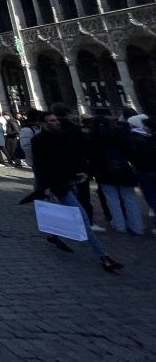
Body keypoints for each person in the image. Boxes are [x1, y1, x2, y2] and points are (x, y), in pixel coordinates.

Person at [31, 111, 123, 272]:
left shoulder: (64, 136)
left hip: (70, 181)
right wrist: (43, 186)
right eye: (52, 120)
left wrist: (83, 171)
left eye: (56, 119)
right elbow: (40, 165)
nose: (57, 122)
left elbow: (75, 156)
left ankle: (54, 236)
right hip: (56, 185)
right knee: (82, 218)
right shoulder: (38, 140)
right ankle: (103, 256)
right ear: (43, 124)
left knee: (61, 212)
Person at [89, 114, 144, 235]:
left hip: (103, 172)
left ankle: (119, 225)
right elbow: (130, 151)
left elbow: (91, 156)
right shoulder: (118, 135)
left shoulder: (93, 138)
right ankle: (137, 226)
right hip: (123, 169)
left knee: (112, 199)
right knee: (130, 198)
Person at [129, 115, 156, 234]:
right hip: (148, 170)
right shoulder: (149, 138)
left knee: (152, 197)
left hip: (145, 171)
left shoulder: (136, 138)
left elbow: (134, 156)